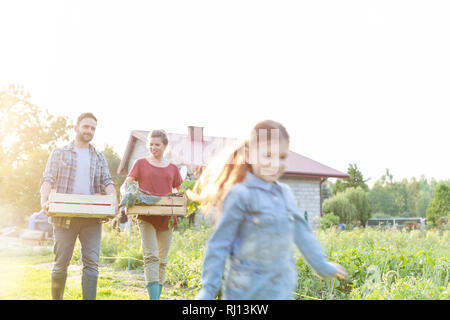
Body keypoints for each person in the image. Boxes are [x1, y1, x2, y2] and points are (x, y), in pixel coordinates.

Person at [188, 120, 347, 300]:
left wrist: (322, 265)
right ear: (248, 155)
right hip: (245, 293)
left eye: (282, 157)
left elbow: (303, 234)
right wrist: (208, 290)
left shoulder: (285, 194)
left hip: (281, 289)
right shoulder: (240, 195)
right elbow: (219, 245)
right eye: (268, 155)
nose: (275, 164)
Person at [40, 112, 117, 300]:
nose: (89, 131)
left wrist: (112, 199)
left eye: (92, 128)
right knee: (61, 263)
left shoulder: (99, 157)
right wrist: (44, 200)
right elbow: (48, 178)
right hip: (64, 216)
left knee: (92, 264)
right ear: (76, 128)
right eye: (86, 127)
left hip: (92, 218)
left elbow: (107, 181)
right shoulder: (60, 153)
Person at [124, 129, 183, 300]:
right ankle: (154, 298)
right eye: (150, 144)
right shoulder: (140, 163)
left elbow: (181, 191)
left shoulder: (172, 168)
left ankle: (157, 295)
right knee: (151, 256)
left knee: (162, 260)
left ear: (165, 146)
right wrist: (127, 194)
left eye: (157, 144)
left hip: (167, 217)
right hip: (146, 215)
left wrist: (182, 200)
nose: (153, 147)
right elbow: (129, 183)